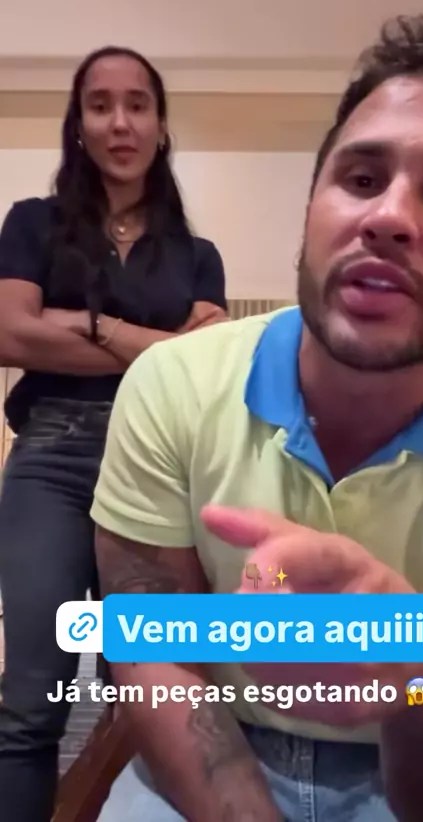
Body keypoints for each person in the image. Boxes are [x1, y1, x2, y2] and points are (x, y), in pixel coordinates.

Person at [91, 13, 423, 822]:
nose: (388, 217)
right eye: (361, 179)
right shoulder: (173, 384)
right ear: (311, 210)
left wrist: (417, 663)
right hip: (215, 745)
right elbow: (157, 652)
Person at [0, 45, 228, 822]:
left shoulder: (196, 256)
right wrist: (153, 343)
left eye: (138, 104)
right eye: (100, 105)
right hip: (52, 462)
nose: (120, 122)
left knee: (160, 696)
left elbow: (201, 369)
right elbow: (11, 335)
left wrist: (86, 325)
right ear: (79, 124)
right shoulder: (32, 225)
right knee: (32, 701)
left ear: (160, 126)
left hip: (159, 468)